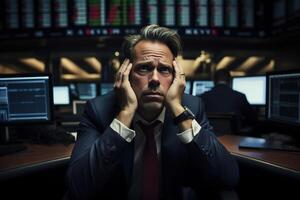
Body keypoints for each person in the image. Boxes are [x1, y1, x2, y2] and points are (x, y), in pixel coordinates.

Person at [66, 25, 239, 200]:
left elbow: (228, 177)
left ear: (176, 78)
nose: (155, 79)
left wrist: (179, 112)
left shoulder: (191, 107)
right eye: (144, 68)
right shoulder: (99, 111)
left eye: (164, 69)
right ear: (125, 74)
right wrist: (125, 113)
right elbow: (78, 186)